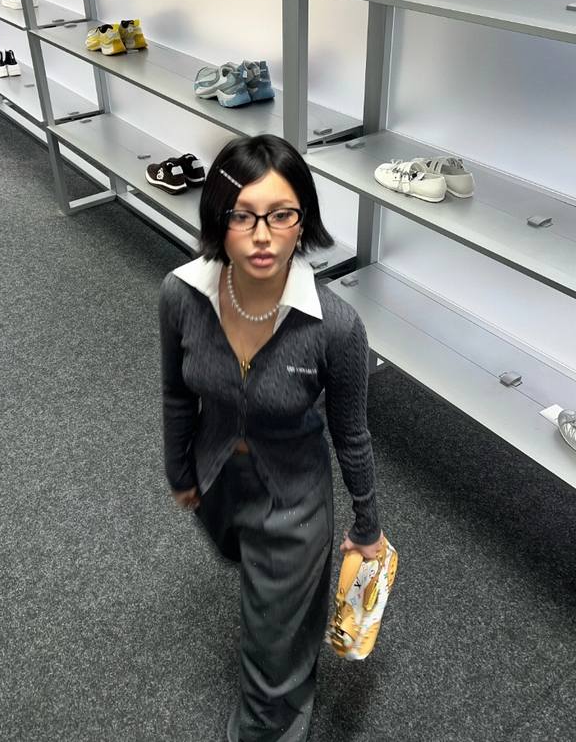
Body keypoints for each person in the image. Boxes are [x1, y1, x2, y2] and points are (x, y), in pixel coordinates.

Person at [158, 134, 384, 742]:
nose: (262, 236)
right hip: (216, 484)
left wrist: (367, 525)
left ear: (302, 221)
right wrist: (180, 472)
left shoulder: (336, 327)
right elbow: (177, 393)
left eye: (281, 215)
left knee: (272, 664)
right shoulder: (181, 295)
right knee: (262, 596)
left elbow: (352, 433)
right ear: (218, 219)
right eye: (243, 216)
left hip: (294, 503)